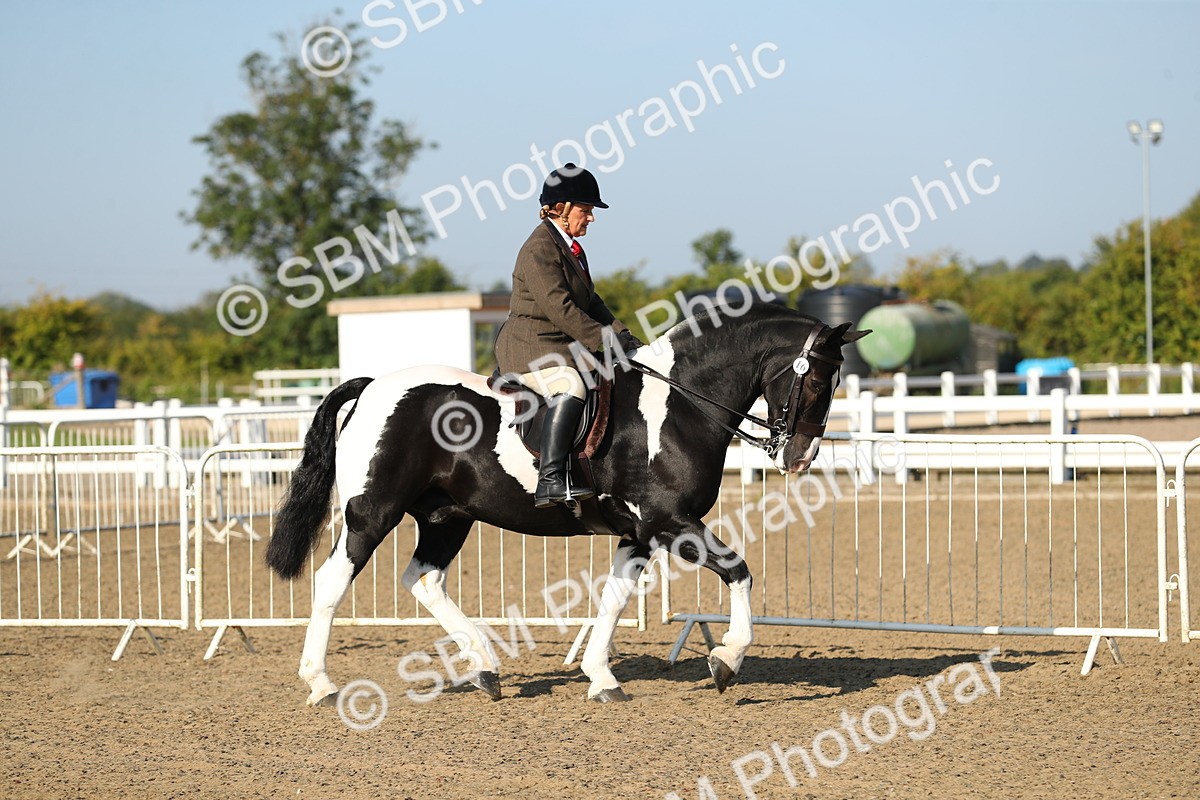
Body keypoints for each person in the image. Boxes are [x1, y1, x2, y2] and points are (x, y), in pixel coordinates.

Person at [494, 163, 644, 508]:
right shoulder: (539, 250)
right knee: (571, 385)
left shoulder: (570, 249)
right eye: (586, 210)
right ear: (561, 209)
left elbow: (591, 302)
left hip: (557, 343)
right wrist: (603, 341)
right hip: (530, 347)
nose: (591, 218)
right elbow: (560, 308)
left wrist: (625, 337)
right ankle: (550, 479)